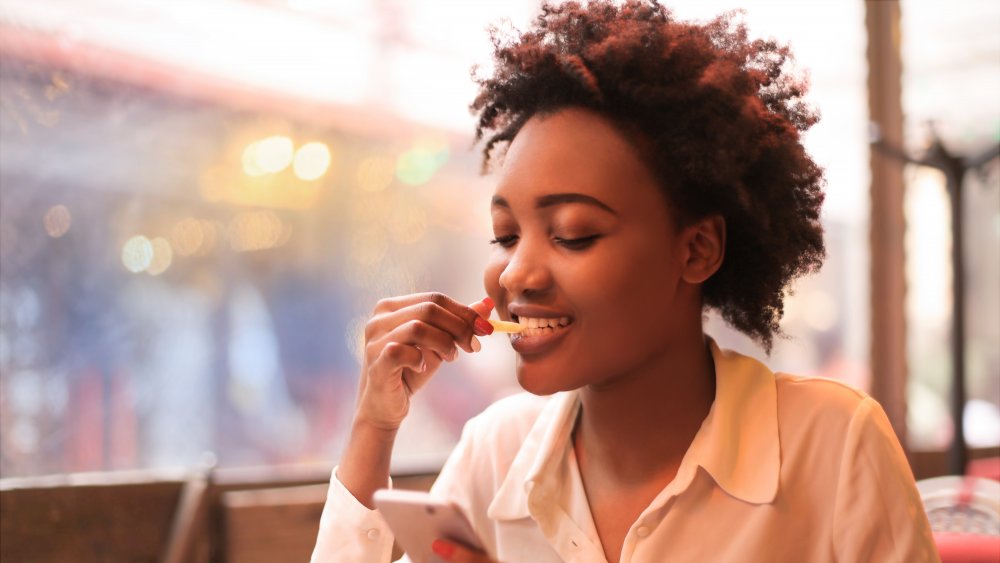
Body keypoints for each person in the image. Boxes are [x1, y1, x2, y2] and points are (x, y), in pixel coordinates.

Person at [312, 1, 939, 561]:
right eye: (505, 236)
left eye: (575, 233)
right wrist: (375, 426)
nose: (517, 272)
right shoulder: (496, 453)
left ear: (696, 249)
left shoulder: (833, 443)